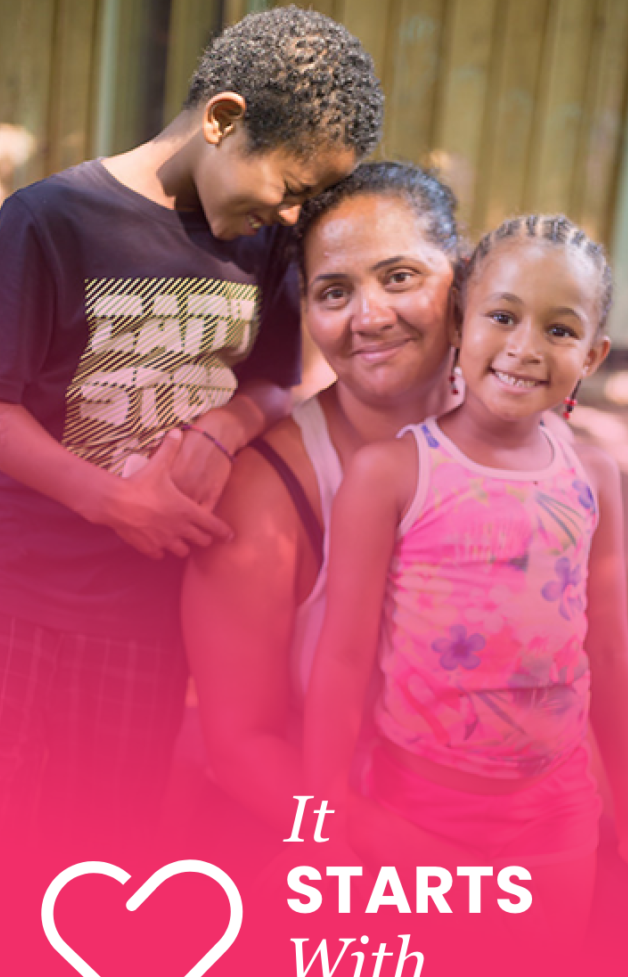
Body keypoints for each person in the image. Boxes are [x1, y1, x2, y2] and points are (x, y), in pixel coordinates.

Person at [0, 6, 383, 825]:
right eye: (289, 188)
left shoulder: (263, 244)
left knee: (106, 828)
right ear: (223, 119)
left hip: (145, 611)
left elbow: (277, 381)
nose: (289, 216)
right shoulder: (50, 219)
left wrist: (220, 430)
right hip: (15, 593)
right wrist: (111, 501)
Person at [304, 213, 628, 944]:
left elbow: (613, 654)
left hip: (557, 813)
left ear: (593, 355)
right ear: (460, 324)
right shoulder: (392, 474)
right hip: (412, 807)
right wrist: (321, 818)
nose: (526, 348)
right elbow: (342, 658)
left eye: (560, 331)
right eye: (503, 316)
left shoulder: (593, 477)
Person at [181, 162, 462, 838]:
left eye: (400, 277)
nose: (369, 317)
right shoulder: (263, 494)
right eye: (335, 292)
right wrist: (403, 855)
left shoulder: (525, 446)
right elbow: (241, 749)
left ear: (463, 276)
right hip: (329, 834)